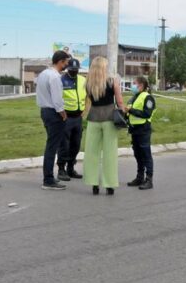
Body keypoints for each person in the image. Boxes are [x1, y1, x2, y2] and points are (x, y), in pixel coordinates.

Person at [83, 56, 125, 195]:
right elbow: (119, 101)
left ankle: (93, 184)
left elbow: (88, 102)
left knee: (91, 153)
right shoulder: (113, 81)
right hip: (109, 119)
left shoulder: (88, 83)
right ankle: (109, 185)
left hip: (93, 119)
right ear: (103, 67)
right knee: (110, 153)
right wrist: (124, 113)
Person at [36, 50, 70, 190]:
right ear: (60, 61)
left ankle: (49, 177)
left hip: (44, 110)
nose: (67, 65)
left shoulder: (43, 74)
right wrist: (63, 114)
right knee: (52, 146)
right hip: (54, 113)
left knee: (51, 145)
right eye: (66, 62)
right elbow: (57, 100)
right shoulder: (55, 77)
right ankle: (48, 179)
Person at [125, 76, 156, 190]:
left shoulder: (148, 98)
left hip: (143, 129)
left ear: (141, 85)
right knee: (138, 154)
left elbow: (146, 114)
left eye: (134, 83)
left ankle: (149, 180)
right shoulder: (134, 97)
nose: (132, 86)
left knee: (146, 155)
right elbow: (129, 113)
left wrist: (130, 110)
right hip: (134, 130)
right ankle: (139, 177)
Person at [57, 58, 86, 181]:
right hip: (66, 117)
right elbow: (57, 98)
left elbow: (88, 96)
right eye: (71, 70)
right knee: (64, 144)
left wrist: (85, 113)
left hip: (78, 117)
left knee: (76, 144)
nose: (74, 72)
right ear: (67, 69)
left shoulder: (83, 80)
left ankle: (70, 167)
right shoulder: (61, 80)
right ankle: (61, 169)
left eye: (76, 70)